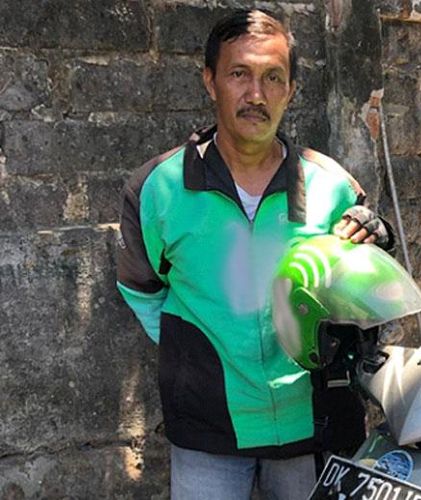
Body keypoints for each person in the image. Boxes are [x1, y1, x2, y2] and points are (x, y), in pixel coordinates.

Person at [115, 9, 392, 499]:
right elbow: (142, 288)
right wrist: (195, 359)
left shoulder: (333, 188)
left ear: (291, 90)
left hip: (315, 427)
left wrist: (377, 243)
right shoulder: (158, 189)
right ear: (210, 81)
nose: (256, 94)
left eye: (272, 77)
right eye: (239, 74)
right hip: (209, 430)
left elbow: (367, 302)